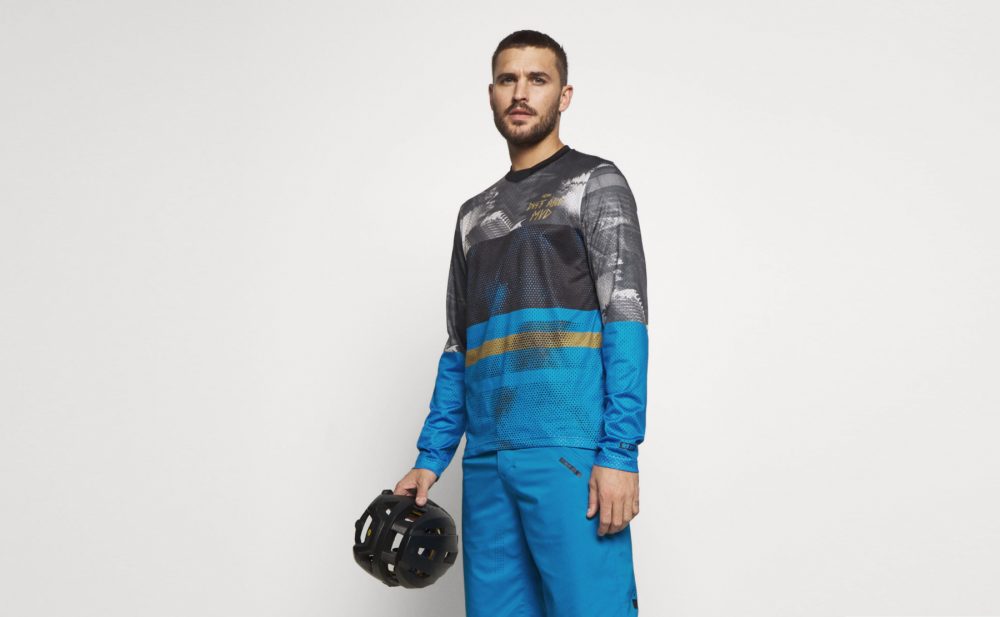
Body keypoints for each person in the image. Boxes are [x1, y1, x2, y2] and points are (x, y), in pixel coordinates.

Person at [394, 29, 649, 616]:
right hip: (487, 459)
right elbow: (460, 348)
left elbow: (626, 321)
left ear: (564, 95)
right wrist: (431, 458)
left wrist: (619, 453)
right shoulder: (473, 217)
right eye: (508, 79)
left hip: (567, 451)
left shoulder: (595, 184)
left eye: (538, 79)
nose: (521, 93)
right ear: (491, 94)